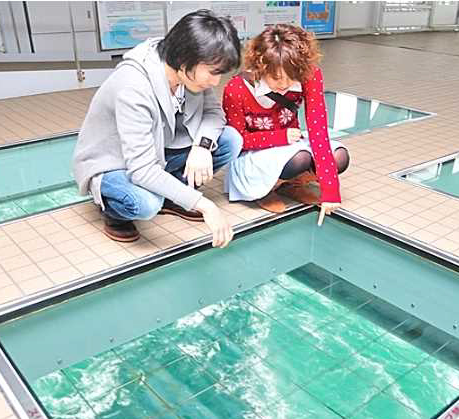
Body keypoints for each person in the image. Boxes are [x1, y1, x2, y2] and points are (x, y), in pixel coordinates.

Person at [73, 10, 242, 247]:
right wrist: (205, 205)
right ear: (185, 59)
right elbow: (141, 168)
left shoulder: (189, 70)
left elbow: (215, 114)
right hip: (117, 163)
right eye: (214, 72)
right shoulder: (134, 86)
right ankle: (113, 212)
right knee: (145, 204)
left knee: (230, 140)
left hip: (160, 151)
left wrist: (202, 146)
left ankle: (173, 196)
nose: (216, 82)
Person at [222, 24, 349, 221]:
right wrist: (279, 136)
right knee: (301, 159)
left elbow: (319, 132)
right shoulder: (236, 89)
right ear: (260, 66)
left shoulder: (310, 75)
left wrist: (331, 190)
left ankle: (291, 185)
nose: (284, 84)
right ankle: (265, 190)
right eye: (276, 78)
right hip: (255, 152)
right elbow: (236, 143)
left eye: (292, 77)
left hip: (292, 144)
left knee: (339, 157)